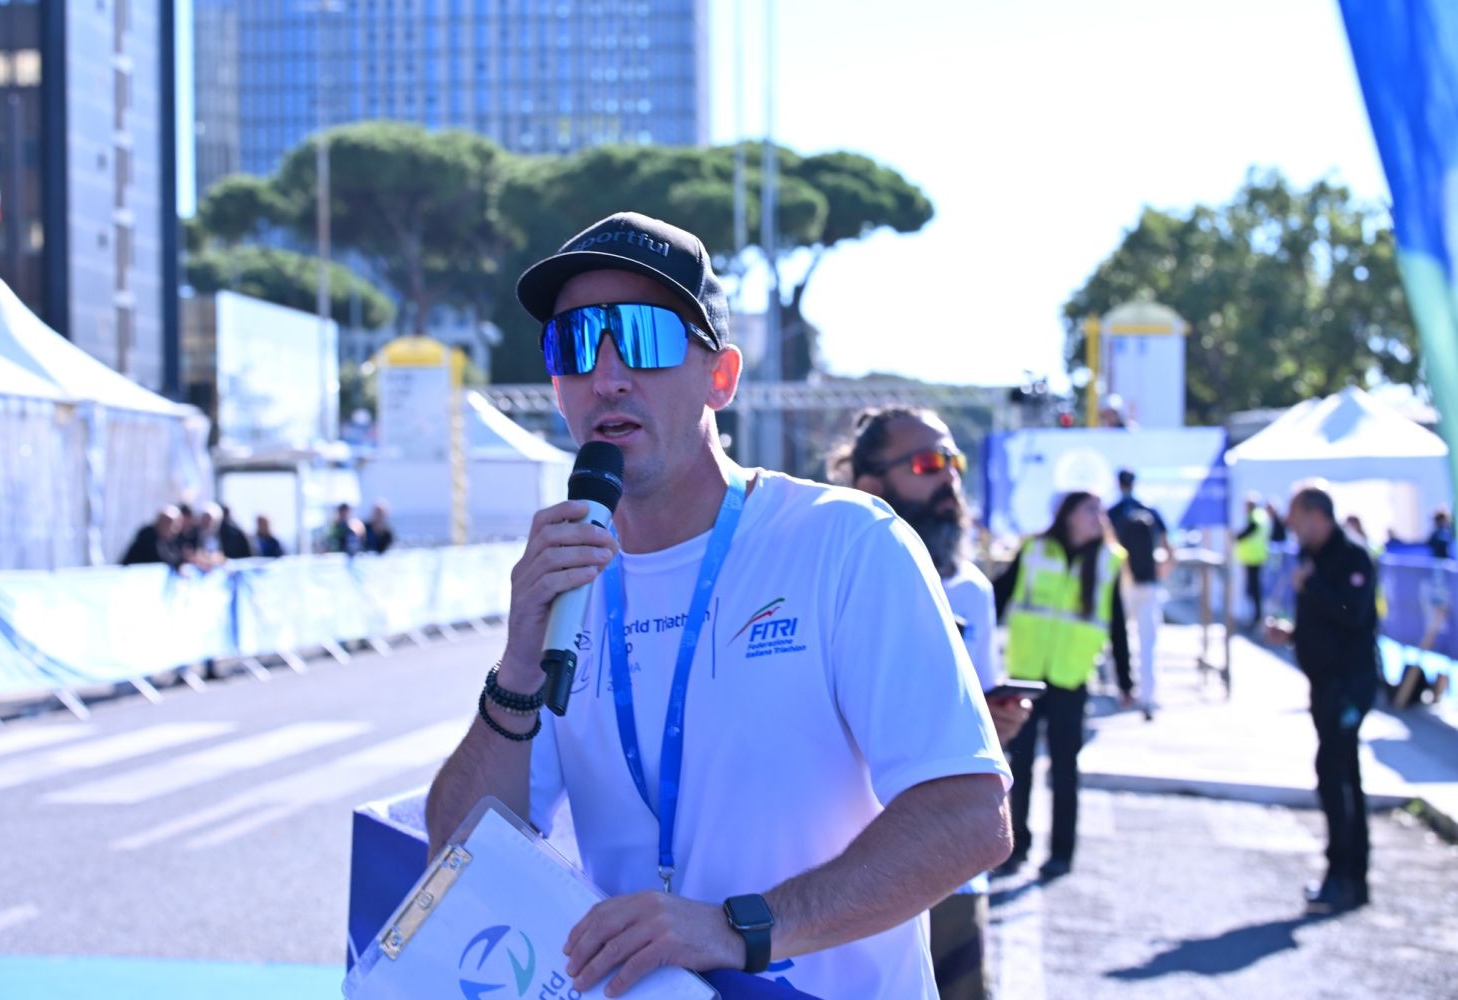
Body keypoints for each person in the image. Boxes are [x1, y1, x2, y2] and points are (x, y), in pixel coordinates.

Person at [424, 211, 1012, 999]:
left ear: (722, 377)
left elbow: (970, 817)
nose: (607, 376)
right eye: (573, 343)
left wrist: (739, 928)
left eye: (644, 337)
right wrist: (518, 669)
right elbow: (459, 859)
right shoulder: (567, 579)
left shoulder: (844, 541)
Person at [833, 405, 1032, 1000]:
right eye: (927, 464)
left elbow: (975, 716)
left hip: (951, 870)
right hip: (845, 869)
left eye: (954, 462)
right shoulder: (827, 579)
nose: (949, 478)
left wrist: (997, 723)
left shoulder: (971, 587)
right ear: (872, 484)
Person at [992, 490, 1132, 881]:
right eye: (1090, 510)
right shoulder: (1034, 550)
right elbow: (999, 596)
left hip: (1070, 677)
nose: (1099, 517)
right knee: (1020, 765)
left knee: (1065, 769)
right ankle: (1015, 847)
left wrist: (1125, 680)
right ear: (1068, 514)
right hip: (1026, 675)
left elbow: (1117, 623)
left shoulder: (1107, 560)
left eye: (1100, 511)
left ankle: (1061, 854)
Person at [1264, 485, 1379, 913]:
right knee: (1341, 772)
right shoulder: (1313, 557)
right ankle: (1349, 878)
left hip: (1349, 685)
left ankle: (1345, 875)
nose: (1292, 528)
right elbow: (1324, 622)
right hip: (1325, 683)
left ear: (1316, 515)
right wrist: (1293, 634)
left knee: (1335, 772)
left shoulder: (1352, 555)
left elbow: (1353, 614)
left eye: (1296, 519)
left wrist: (1311, 586)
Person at [1107, 469, 1174, 719]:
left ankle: (1122, 691)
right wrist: (1160, 571)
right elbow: (1169, 549)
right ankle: (1148, 696)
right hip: (1149, 583)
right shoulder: (1150, 510)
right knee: (1149, 642)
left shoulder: (1113, 512)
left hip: (1123, 585)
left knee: (1118, 639)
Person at [1237, 496, 1271, 626]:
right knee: (1253, 588)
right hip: (1256, 557)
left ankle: (1256, 617)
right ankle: (1255, 616)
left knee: (1254, 589)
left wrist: (1238, 536)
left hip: (1253, 558)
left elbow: (1251, 529)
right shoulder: (1261, 515)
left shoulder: (1256, 516)